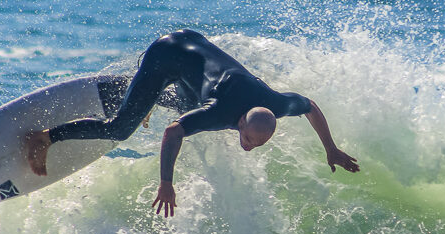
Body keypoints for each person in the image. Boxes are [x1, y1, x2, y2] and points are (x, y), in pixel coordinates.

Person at [26, 29, 359, 217]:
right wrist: (166, 183)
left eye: (257, 144)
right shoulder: (219, 112)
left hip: (194, 50)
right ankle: (47, 137)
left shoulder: (277, 103)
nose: (248, 145)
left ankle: (138, 93)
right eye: (247, 137)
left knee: (186, 103)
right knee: (120, 129)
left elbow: (310, 106)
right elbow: (174, 131)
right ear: (240, 121)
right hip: (166, 54)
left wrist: (330, 148)